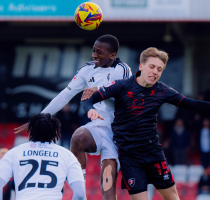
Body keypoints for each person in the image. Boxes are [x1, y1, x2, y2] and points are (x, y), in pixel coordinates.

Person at [81, 47, 210, 200]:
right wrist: (90, 109)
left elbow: (194, 104)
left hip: (153, 153)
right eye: (152, 67)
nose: (155, 72)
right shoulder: (121, 86)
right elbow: (90, 99)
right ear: (141, 66)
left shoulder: (162, 90)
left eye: (160, 69)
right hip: (129, 156)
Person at [14, 34, 132, 200]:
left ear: (112, 55)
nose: (94, 55)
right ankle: (79, 193)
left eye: (99, 52)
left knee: (108, 189)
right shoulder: (87, 69)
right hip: (97, 127)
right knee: (78, 137)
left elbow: (124, 96)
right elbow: (64, 95)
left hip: (117, 133)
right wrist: (39, 117)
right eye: (93, 50)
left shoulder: (122, 69)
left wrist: (99, 89)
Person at [0, 113, 85, 200]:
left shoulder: (14, 152)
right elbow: (80, 194)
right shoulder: (67, 155)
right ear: (56, 132)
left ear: (30, 130)